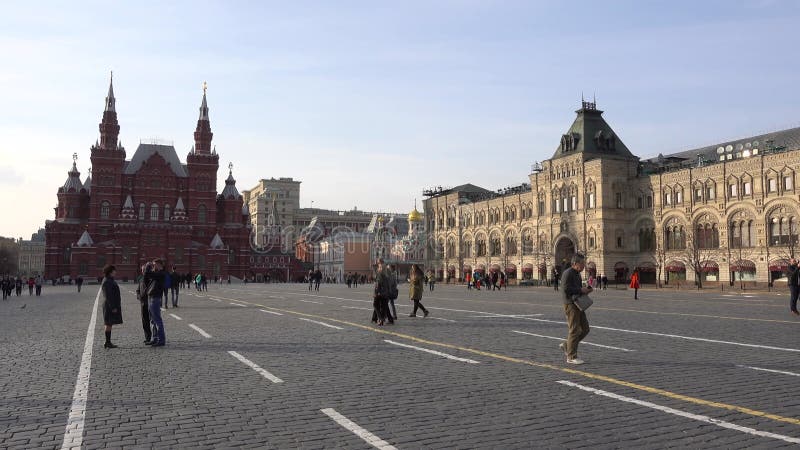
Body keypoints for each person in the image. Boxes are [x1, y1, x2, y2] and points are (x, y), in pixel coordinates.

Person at [560, 253, 592, 365]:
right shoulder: (567, 273)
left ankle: (567, 345)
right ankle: (571, 356)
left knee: (585, 329)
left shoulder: (577, 274)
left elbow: (576, 288)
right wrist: (580, 290)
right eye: (582, 263)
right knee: (574, 330)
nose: (584, 266)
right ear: (575, 263)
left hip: (578, 303)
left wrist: (585, 290)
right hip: (570, 304)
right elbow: (565, 289)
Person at [144, 259, 167, 347]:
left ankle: (161, 340)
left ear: (159, 264)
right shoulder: (157, 274)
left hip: (155, 298)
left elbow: (147, 273)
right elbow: (146, 277)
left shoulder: (161, 274)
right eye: (153, 265)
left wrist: (147, 266)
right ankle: (155, 338)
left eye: (154, 265)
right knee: (153, 320)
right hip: (151, 297)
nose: (153, 266)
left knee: (157, 320)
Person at [100, 265, 123, 349]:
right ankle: (107, 342)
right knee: (108, 323)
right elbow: (108, 296)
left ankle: (108, 342)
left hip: (110, 305)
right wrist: (113, 307)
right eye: (114, 271)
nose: (115, 272)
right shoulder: (107, 281)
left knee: (109, 324)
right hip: (109, 306)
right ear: (110, 272)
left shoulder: (109, 280)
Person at [371, 258, 393, 326]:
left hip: (380, 293)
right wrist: (389, 291)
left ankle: (380, 318)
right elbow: (389, 283)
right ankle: (377, 318)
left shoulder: (380, 274)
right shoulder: (387, 273)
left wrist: (375, 293)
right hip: (386, 293)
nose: (378, 266)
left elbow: (378, 284)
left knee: (376, 305)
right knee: (384, 306)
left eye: (379, 265)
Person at [137, 265, 153, 345]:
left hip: (150, 302)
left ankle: (156, 337)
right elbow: (137, 290)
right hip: (143, 303)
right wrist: (139, 297)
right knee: (145, 321)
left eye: (145, 270)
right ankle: (148, 337)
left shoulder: (151, 279)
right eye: (142, 270)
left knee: (153, 321)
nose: (143, 271)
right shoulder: (140, 279)